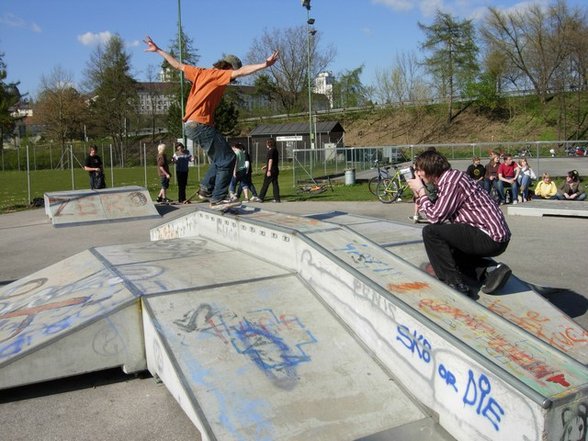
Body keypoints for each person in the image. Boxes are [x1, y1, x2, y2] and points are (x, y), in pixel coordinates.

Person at [144, 36, 278, 209]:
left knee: (219, 159)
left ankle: (206, 188)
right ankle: (217, 198)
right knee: (229, 159)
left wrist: (158, 50)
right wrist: (264, 65)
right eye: (232, 76)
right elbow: (242, 71)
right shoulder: (220, 74)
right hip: (200, 125)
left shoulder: (199, 72)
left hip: (191, 125)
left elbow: (177, 64)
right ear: (228, 67)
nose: (232, 81)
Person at [406, 150, 512, 297]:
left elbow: (435, 217)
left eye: (418, 170)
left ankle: (454, 283)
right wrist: (420, 193)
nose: (418, 174)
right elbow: (437, 209)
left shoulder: (451, 181)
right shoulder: (451, 178)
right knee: (444, 253)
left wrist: (421, 191)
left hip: (489, 235)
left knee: (431, 232)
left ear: (429, 169)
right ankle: (490, 271)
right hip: (489, 235)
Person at [258, 138, 281, 203]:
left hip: (271, 170)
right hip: (275, 169)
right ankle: (277, 198)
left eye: (267, 143)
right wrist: (266, 166)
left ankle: (261, 197)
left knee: (266, 183)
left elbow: (270, 160)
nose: (266, 144)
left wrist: (269, 170)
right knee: (275, 184)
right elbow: (273, 161)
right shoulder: (275, 150)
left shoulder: (271, 151)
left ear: (270, 144)